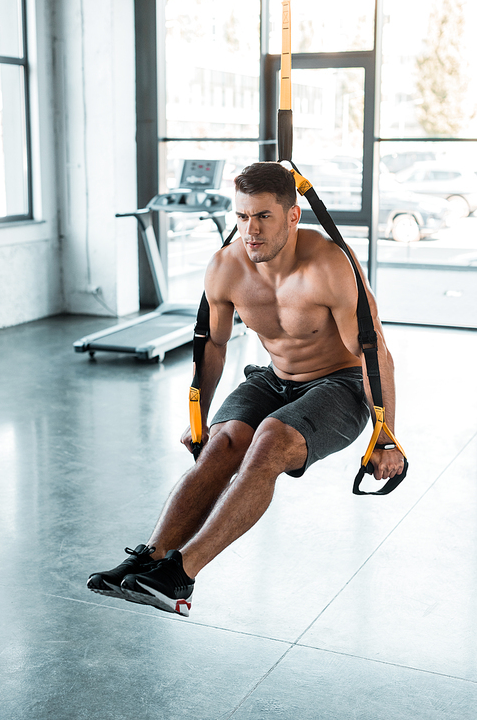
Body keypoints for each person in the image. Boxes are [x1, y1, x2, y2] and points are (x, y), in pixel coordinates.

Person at [87, 161, 405, 617]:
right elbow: (213, 344)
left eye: (263, 216)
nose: (250, 230)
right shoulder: (226, 266)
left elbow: (376, 353)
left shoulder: (332, 265)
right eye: (241, 217)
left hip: (342, 385)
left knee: (269, 441)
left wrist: (385, 435)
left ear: (293, 216)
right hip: (274, 379)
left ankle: (181, 576)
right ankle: (151, 560)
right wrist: (200, 419)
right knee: (222, 445)